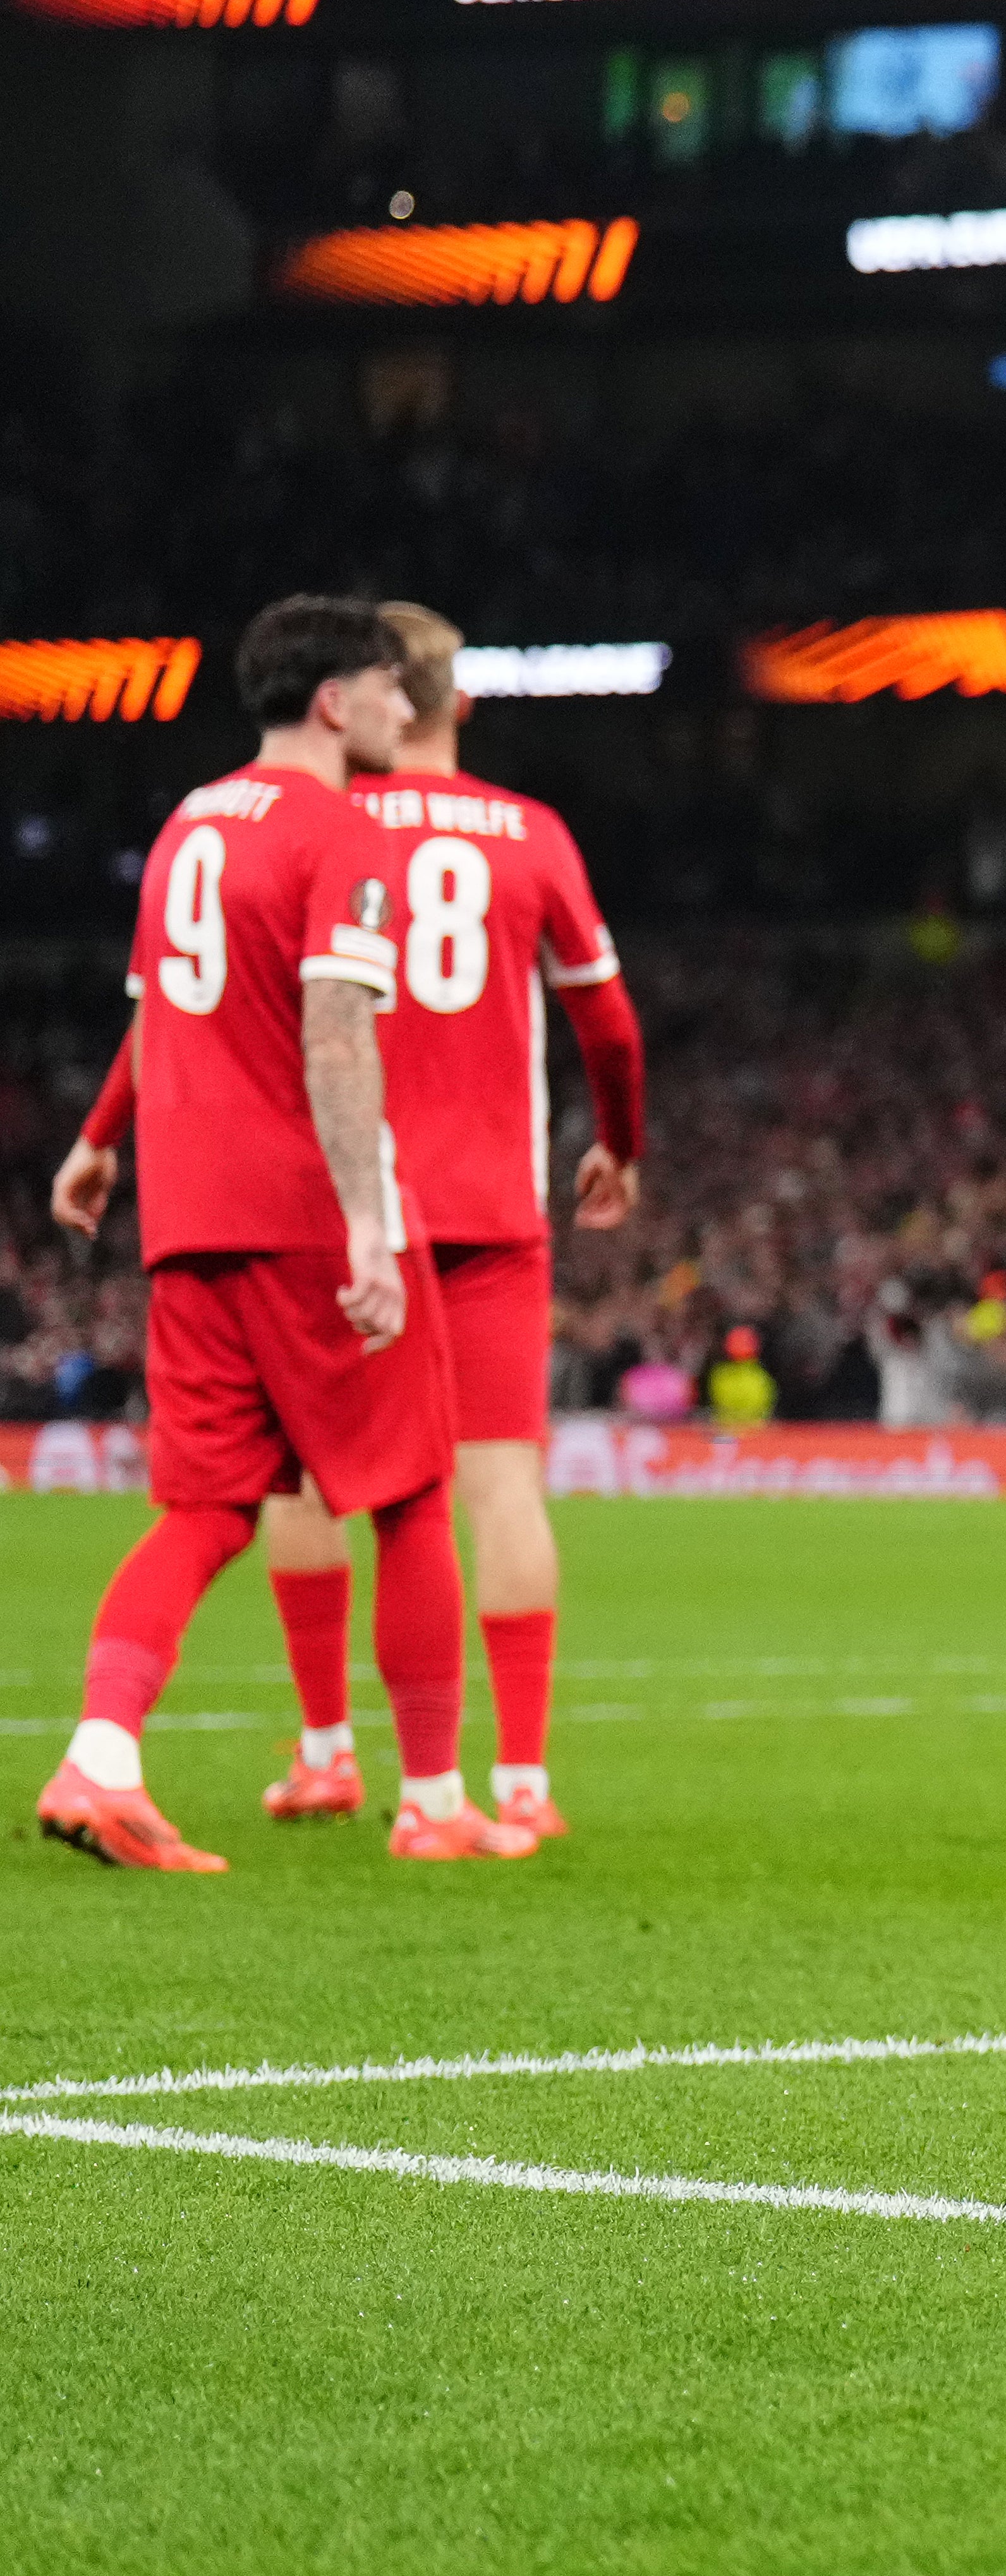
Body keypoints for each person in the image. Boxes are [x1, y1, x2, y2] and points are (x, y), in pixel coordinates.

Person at [35, 596, 527, 1869]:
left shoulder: (189, 820)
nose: (399, 708)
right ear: (332, 701)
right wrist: (370, 1220)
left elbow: (158, 1014)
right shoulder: (340, 832)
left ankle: (101, 1758)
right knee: (416, 1494)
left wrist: (97, 1139)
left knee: (203, 1512)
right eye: (381, 687)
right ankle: (433, 1802)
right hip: (306, 1219)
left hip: (189, 1220)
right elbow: (334, 1031)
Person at [192, 603, 643, 1839]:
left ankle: (329, 1749)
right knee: (498, 1488)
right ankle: (520, 1783)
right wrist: (620, 1143)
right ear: (459, 701)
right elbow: (608, 1025)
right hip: (494, 1207)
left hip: (346, 1204)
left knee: (309, 1477)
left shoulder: (317, 821)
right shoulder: (532, 833)